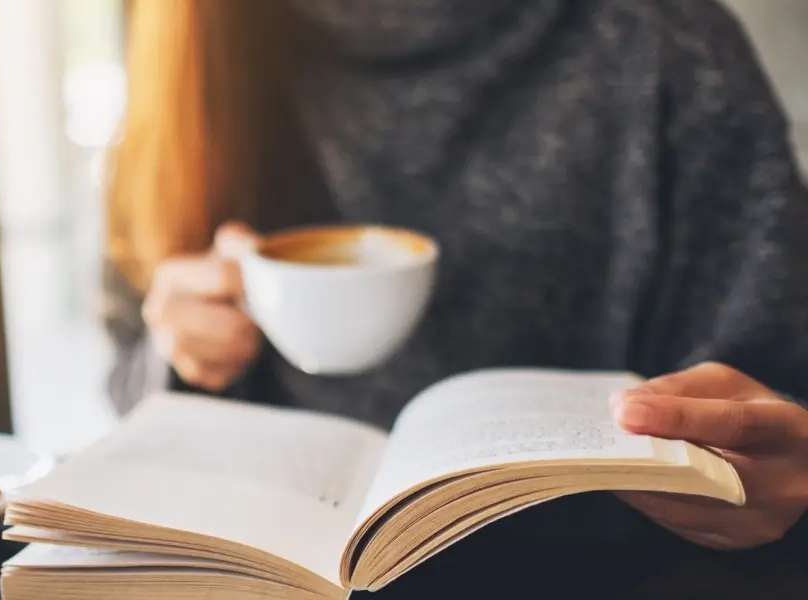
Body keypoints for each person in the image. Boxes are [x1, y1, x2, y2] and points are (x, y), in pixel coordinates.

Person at [99, 0, 808, 551]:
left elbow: (780, 395)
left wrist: (775, 468)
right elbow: (122, 378)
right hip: (257, 567)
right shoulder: (186, 40)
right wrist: (178, 359)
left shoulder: (665, 44)